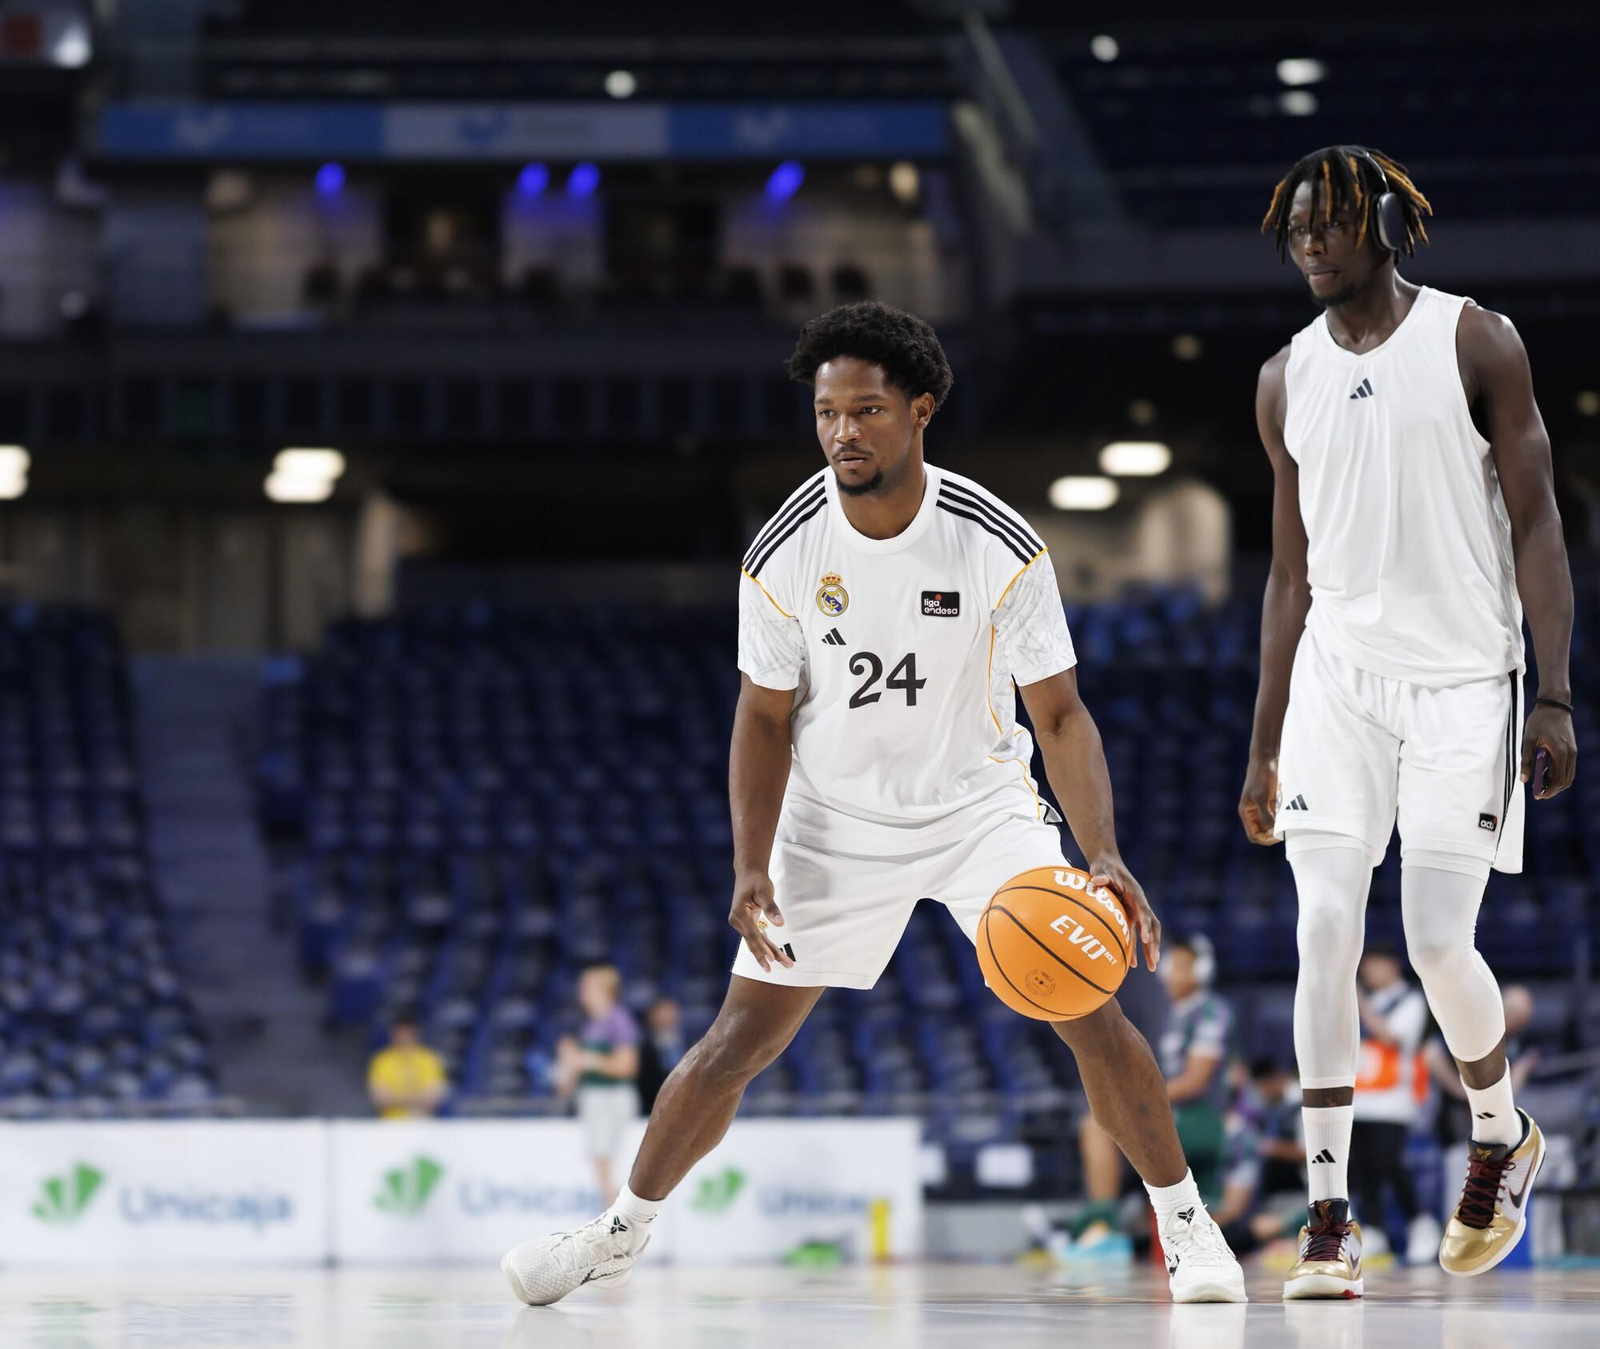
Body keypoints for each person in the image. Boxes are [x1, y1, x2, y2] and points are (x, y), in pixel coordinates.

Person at [504, 301, 1246, 1305]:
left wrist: (1099, 848)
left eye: (864, 410)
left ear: (919, 409)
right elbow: (761, 719)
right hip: (834, 820)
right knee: (737, 1040)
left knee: (1088, 1002)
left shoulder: (995, 540)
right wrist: (751, 861)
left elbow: (1062, 714)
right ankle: (621, 1228)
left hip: (979, 806)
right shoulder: (783, 552)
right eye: (825, 413)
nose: (842, 431)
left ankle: (1186, 1224)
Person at [1240, 145, 1576, 1296]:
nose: (1310, 244)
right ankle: (1326, 1215)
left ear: (1384, 222)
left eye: (1328, 224)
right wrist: (1263, 735)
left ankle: (1498, 1130)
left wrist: (1555, 689)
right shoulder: (1282, 376)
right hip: (1337, 679)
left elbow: (1537, 524)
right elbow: (1287, 573)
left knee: (1435, 938)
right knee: (1323, 928)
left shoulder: (1475, 339)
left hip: (1464, 679)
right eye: (1293, 231)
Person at [1350, 947, 1436, 1263]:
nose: (1370, 973)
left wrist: (1360, 1002)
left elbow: (1391, 1036)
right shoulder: (1363, 1003)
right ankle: (1373, 1230)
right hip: (1360, 1098)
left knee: (1389, 1163)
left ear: (1392, 966)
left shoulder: (1410, 1001)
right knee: (1362, 1169)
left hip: (1393, 1100)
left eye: (1375, 965)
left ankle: (1420, 1222)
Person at [555, 964, 641, 1208]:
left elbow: (627, 1065)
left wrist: (586, 1060)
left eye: (588, 987)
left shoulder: (617, 1020)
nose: (581, 993)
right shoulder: (589, 1025)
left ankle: (616, 1214)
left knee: (608, 1158)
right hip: (594, 1098)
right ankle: (612, 1212)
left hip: (611, 1097)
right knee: (600, 1159)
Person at [1427, 984, 1540, 1146]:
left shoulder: (1520, 1039)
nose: (1523, 1023)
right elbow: (1431, 1055)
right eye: (1519, 1017)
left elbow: (1514, 1083)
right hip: (1458, 1111)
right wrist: (1462, 1092)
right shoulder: (1475, 1024)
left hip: (1494, 1113)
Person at [1239, 1056, 1306, 1198]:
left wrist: (1270, 1147)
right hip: (1275, 1192)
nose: (1261, 1092)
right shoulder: (1269, 1108)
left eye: (1262, 1086)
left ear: (1276, 1080)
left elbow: (1309, 1154)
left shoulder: (1303, 1106)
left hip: (1301, 1192)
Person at [366, 1009, 449, 1119]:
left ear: (415, 1034)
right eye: (400, 1034)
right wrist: (417, 1098)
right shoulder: (382, 1060)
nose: (403, 1038)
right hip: (390, 1125)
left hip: (422, 1123)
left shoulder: (429, 1059)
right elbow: (380, 1099)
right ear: (393, 1034)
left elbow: (433, 1099)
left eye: (407, 1033)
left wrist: (395, 1098)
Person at [635, 996, 687, 1114]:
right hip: (652, 1106)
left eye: (670, 1013)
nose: (666, 1018)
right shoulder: (644, 1047)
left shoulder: (687, 1042)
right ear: (652, 1016)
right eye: (662, 1013)